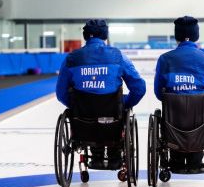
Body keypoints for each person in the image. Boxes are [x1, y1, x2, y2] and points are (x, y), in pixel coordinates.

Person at [56, 19, 146, 169]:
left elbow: (61, 93)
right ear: (105, 36)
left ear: (85, 36)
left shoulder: (71, 59)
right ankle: (114, 155)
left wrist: (77, 107)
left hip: (83, 121)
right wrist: (124, 103)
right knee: (113, 114)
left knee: (88, 113)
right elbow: (139, 88)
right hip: (113, 118)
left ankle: (96, 155)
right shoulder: (118, 56)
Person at [154, 16, 204, 173]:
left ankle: (175, 160)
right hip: (201, 126)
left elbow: (159, 94)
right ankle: (196, 160)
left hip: (172, 125)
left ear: (177, 36)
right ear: (196, 35)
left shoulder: (165, 59)